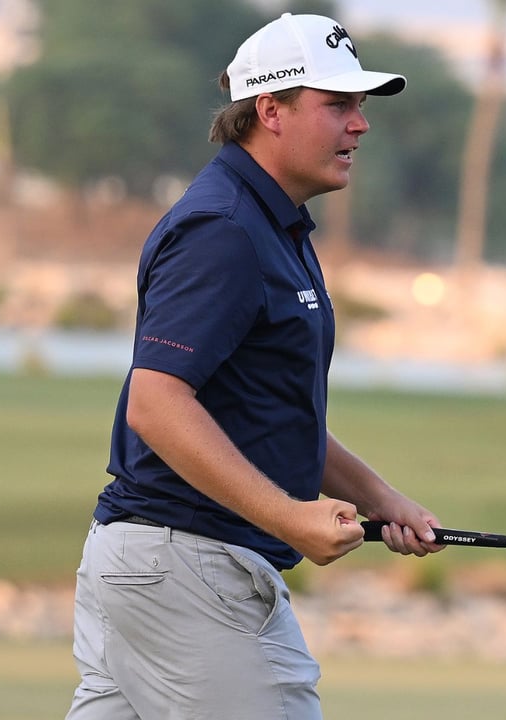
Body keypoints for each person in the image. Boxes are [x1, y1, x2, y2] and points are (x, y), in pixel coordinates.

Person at [65, 13, 444, 720]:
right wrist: (290, 517)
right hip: (186, 570)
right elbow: (157, 402)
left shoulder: (273, 226)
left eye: (360, 106)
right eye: (338, 105)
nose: (359, 126)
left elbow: (263, 411)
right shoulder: (226, 230)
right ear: (269, 110)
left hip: (157, 569)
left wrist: (380, 496)